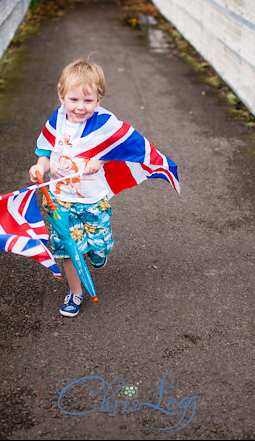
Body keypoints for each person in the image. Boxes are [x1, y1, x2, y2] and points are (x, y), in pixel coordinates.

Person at [28, 58, 180, 317]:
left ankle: (98, 251)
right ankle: (75, 292)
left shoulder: (105, 123)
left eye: (88, 101)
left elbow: (121, 147)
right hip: (59, 199)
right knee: (68, 249)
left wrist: (99, 160)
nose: (80, 107)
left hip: (93, 199)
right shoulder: (57, 120)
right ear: (61, 96)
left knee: (98, 245)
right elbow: (45, 152)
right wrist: (40, 167)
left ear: (98, 100)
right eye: (73, 100)